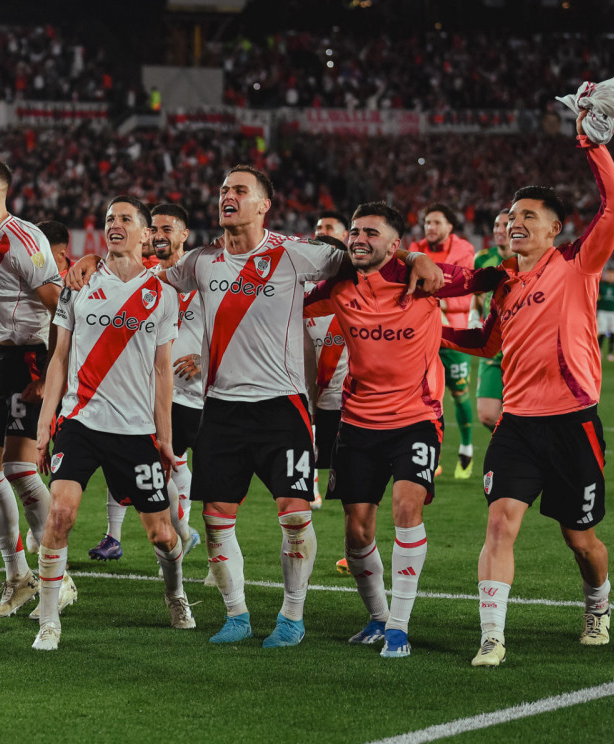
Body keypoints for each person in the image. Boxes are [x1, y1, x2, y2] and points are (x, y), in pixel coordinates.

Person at [66, 166, 441, 647]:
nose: (228, 196)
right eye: (223, 189)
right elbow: (139, 274)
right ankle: (237, 615)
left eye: (240, 190)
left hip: (281, 408)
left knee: (294, 515)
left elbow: (365, 254)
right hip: (220, 409)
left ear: (264, 204)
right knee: (216, 519)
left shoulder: (294, 254)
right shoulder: (200, 262)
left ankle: (292, 616)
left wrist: (414, 256)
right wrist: (94, 257)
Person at [442, 113, 614, 667]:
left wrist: (591, 144)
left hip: (574, 422)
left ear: (553, 230)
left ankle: (598, 602)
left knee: (581, 540)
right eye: (512, 215)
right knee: (500, 523)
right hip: (517, 425)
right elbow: (488, 343)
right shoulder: (504, 286)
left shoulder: (577, 263)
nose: (516, 222)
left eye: (530, 216)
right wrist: (437, 332)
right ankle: (492, 635)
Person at [304, 203, 495, 658]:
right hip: (357, 422)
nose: (358, 238)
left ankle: (399, 626)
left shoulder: (426, 277)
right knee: (356, 531)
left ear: (394, 244)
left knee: (407, 508)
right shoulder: (338, 285)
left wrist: (416, 259)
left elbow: (492, 279)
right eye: (354, 231)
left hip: (416, 419)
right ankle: (377, 617)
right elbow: (273, 296)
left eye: (370, 232)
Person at [32, 197, 190, 651]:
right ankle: (48, 620)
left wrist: (165, 437)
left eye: (126, 219)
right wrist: (46, 426)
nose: (115, 226)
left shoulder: (162, 295)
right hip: (81, 422)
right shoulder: (78, 283)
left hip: (135, 430)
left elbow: (163, 372)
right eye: (108, 220)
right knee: (60, 515)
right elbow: (58, 358)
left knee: (162, 534)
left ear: (146, 234)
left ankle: (175, 593)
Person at [0, 153, 72, 618]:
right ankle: (18, 576)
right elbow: (2, 302)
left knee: (21, 473)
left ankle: (56, 578)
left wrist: (48, 374)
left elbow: (59, 305)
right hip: (3, 361)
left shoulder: (25, 239)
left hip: (31, 361)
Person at [88, 202, 202, 562]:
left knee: (174, 464)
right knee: (134, 459)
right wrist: (88, 260)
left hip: (197, 397)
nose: (158, 235)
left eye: (168, 229)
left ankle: (185, 532)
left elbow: (234, 330)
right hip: (148, 394)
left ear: (184, 235)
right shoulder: (147, 278)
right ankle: (121, 535)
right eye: (154, 228)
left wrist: (205, 359)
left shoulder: (205, 278)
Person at [408, 204, 477, 478]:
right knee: (424, 397)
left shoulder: (464, 251)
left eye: (436, 223)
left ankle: (467, 448)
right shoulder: (415, 247)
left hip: (453, 336)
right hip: (423, 335)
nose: (430, 228)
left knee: (459, 396)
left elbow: (464, 295)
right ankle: (431, 456)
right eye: (427, 222)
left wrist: (432, 296)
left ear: (450, 227)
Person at [307, 211, 351, 512]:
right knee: (305, 443)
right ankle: (308, 486)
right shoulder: (299, 293)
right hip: (306, 390)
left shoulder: (355, 292)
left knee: (345, 461)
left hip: (344, 395)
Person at [472, 210, 514, 431]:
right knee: (488, 415)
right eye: (497, 225)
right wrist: (473, 317)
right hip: (492, 346)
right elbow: (477, 295)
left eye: (505, 225)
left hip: (518, 346)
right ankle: (511, 449)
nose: (499, 229)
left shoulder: (526, 260)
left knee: (521, 413)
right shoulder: (482, 258)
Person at [597, 267, 614, 362]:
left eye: (613, 275)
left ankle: (611, 353)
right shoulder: (601, 285)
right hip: (602, 311)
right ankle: (599, 351)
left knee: (613, 332)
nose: (611, 276)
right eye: (609, 274)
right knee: (601, 331)